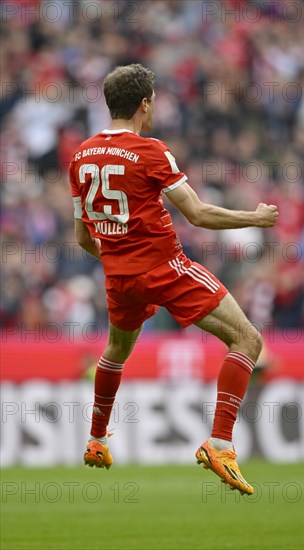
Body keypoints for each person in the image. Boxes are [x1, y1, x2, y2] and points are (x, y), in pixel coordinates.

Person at [70, 63, 278, 496]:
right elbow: (198, 214)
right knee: (248, 340)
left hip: (119, 275)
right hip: (165, 267)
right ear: (145, 104)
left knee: (116, 350)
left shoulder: (80, 156)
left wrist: (117, 257)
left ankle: (96, 438)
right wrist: (255, 220)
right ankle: (220, 443)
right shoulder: (151, 151)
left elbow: (81, 237)